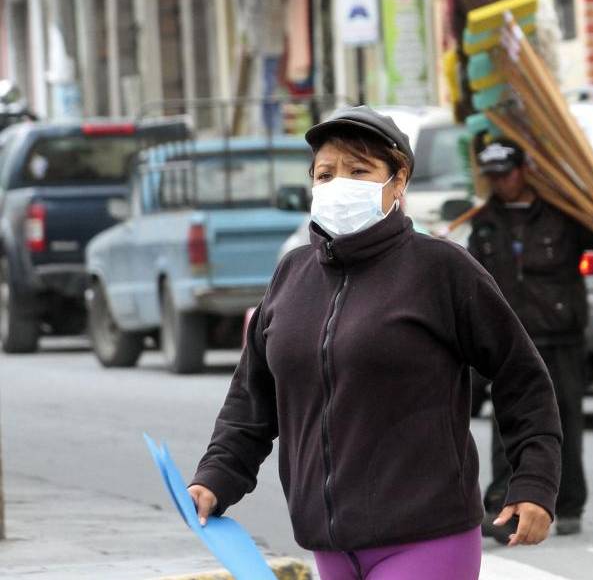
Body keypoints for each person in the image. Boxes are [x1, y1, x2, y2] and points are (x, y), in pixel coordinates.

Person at [187, 107, 563, 580]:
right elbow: (251, 402)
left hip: (426, 535)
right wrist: (215, 479)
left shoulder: (441, 270)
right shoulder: (291, 275)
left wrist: (533, 481)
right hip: (328, 542)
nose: (339, 184)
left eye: (359, 170)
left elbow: (521, 376)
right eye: (325, 174)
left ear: (398, 180)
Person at [468, 139, 593, 540]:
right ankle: (502, 506)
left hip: (559, 337)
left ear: (524, 170)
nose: (501, 182)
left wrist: (583, 191)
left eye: (506, 173)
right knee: (505, 423)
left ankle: (567, 504)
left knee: (563, 421)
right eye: (492, 175)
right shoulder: (485, 221)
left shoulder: (562, 215)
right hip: (509, 340)